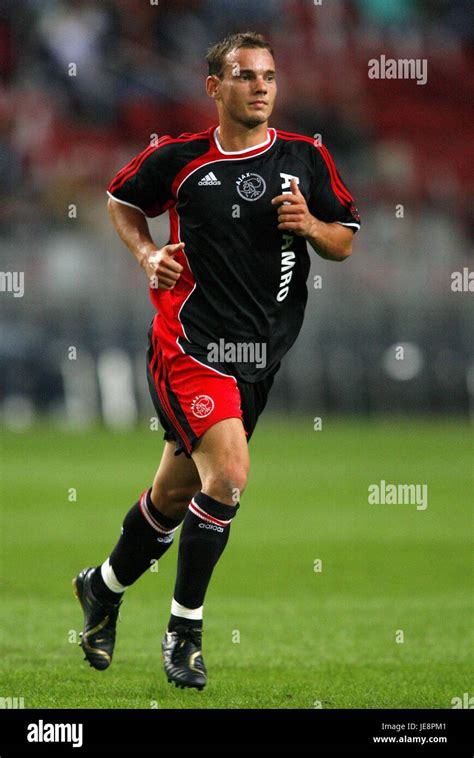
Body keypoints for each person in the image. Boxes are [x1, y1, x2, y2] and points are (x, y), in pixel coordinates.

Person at [73, 31, 360, 691]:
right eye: (245, 75)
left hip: (260, 356)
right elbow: (120, 200)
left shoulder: (306, 157)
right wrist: (148, 255)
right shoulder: (178, 159)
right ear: (215, 87)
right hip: (190, 346)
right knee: (228, 475)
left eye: (269, 76)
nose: (261, 86)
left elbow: (344, 240)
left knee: (177, 496)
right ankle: (185, 630)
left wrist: (311, 227)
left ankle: (103, 587)